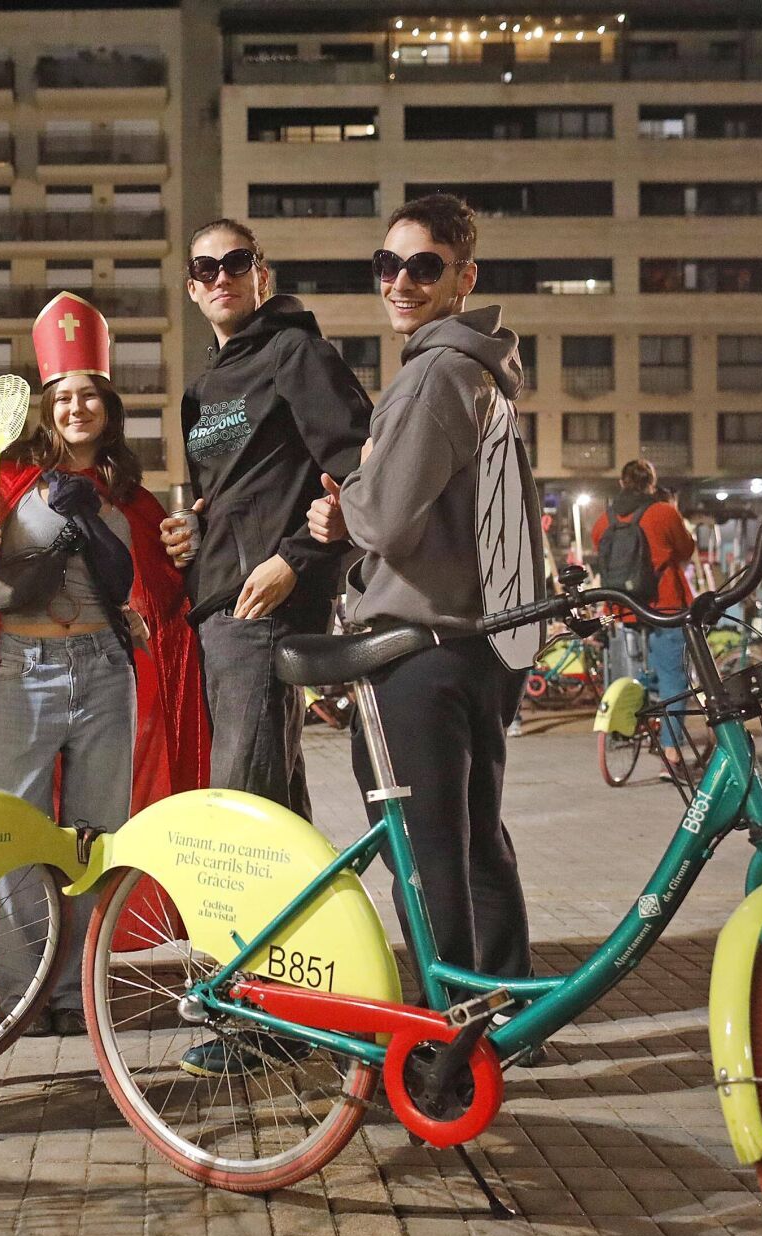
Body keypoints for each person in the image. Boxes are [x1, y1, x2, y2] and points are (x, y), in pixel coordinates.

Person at [0, 292, 210, 1036]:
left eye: (90, 395)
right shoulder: (6, 484)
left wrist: (181, 547)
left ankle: (72, 993)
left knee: (93, 840)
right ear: (45, 407)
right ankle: (21, 992)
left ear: (109, 407)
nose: (77, 407)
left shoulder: (132, 497)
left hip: (104, 673)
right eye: (64, 397)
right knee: (14, 834)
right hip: (21, 672)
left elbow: (166, 588)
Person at [308, 192, 545, 991]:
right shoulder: (486, 376)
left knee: (425, 850)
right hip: (480, 648)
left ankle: (450, 1029)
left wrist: (346, 500)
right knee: (478, 842)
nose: (400, 282)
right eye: (387, 264)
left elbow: (379, 518)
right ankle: (507, 1011)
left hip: (417, 654)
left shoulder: (433, 375)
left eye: (423, 266)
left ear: (463, 276)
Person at [162, 219, 369, 819]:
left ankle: (251, 918)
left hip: (263, 607)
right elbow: (224, 494)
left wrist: (297, 559)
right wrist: (192, 532)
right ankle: (299, 915)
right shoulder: (200, 391)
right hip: (215, 606)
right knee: (270, 801)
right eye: (206, 268)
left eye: (236, 263)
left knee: (244, 809)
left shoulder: (296, 353)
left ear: (261, 274)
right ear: (193, 289)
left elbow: (360, 478)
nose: (221, 276)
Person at [589, 458, 696, 769]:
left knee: (637, 672)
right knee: (674, 677)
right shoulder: (664, 513)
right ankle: (671, 753)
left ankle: (633, 722)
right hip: (666, 607)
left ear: (622, 483)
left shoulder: (603, 521)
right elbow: (686, 550)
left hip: (624, 609)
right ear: (652, 484)